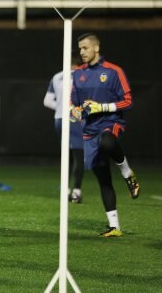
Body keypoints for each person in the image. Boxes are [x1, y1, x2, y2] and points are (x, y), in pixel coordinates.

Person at [70, 32, 139, 237]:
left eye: (85, 48)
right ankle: (114, 226)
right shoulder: (78, 74)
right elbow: (73, 102)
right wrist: (73, 110)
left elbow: (128, 101)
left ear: (96, 49)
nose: (81, 52)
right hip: (89, 129)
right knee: (103, 178)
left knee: (108, 143)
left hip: (110, 122)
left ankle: (127, 173)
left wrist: (102, 107)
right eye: (79, 48)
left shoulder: (114, 71)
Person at [43, 53, 85, 203]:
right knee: (79, 155)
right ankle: (77, 191)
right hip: (76, 119)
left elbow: (47, 101)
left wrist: (61, 108)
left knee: (66, 156)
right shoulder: (84, 76)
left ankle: (65, 190)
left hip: (59, 119)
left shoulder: (57, 76)